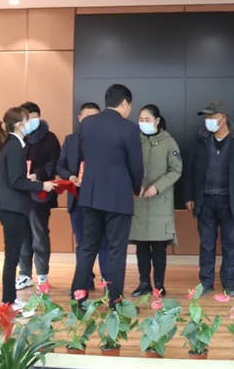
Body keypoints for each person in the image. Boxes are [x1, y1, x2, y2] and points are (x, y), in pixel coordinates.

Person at [70, 84, 143, 306]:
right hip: (118, 198)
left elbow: (80, 156)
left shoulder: (87, 124)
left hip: (91, 196)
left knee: (87, 247)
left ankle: (78, 298)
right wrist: (136, 187)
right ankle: (114, 300)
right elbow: (136, 165)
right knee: (116, 250)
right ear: (124, 103)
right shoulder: (129, 128)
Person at [185, 100, 234, 296]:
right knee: (206, 244)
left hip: (230, 201)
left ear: (223, 118)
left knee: (230, 243)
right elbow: (190, 170)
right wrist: (189, 196)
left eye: (212, 116)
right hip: (205, 200)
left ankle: (229, 284)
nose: (208, 120)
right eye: (206, 117)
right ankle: (206, 283)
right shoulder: (200, 139)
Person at [0, 107, 55, 310]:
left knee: (13, 254)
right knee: (12, 256)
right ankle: (8, 301)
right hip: (12, 207)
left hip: (10, 206)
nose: (30, 125)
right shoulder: (14, 146)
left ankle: (9, 299)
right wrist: (41, 185)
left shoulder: (12, 144)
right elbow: (17, 181)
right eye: (27, 121)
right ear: (19, 125)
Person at [129, 104, 182, 297]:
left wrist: (157, 187)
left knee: (159, 247)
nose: (143, 123)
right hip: (139, 201)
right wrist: (135, 184)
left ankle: (159, 285)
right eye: (141, 120)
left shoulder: (169, 142)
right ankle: (144, 282)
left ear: (157, 121)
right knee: (142, 246)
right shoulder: (134, 141)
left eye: (147, 120)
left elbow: (176, 170)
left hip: (160, 202)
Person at [57, 102, 109, 291]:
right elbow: (60, 165)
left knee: (104, 242)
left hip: (100, 199)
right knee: (82, 243)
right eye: (87, 117)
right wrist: (70, 176)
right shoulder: (70, 140)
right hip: (77, 199)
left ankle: (108, 282)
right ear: (79, 118)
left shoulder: (107, 140)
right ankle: (84, 280)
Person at [15, 102, 61, 290]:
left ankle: (42, 276)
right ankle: (24, 274)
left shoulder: (50, 138)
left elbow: (55, 163)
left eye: (34, 117)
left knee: (39, 234)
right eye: (27, 117)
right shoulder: (17, 137)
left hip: (40, 194)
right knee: (22, 235)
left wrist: (38, 174)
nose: (30, 120)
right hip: (20, 194)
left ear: (39, 117)